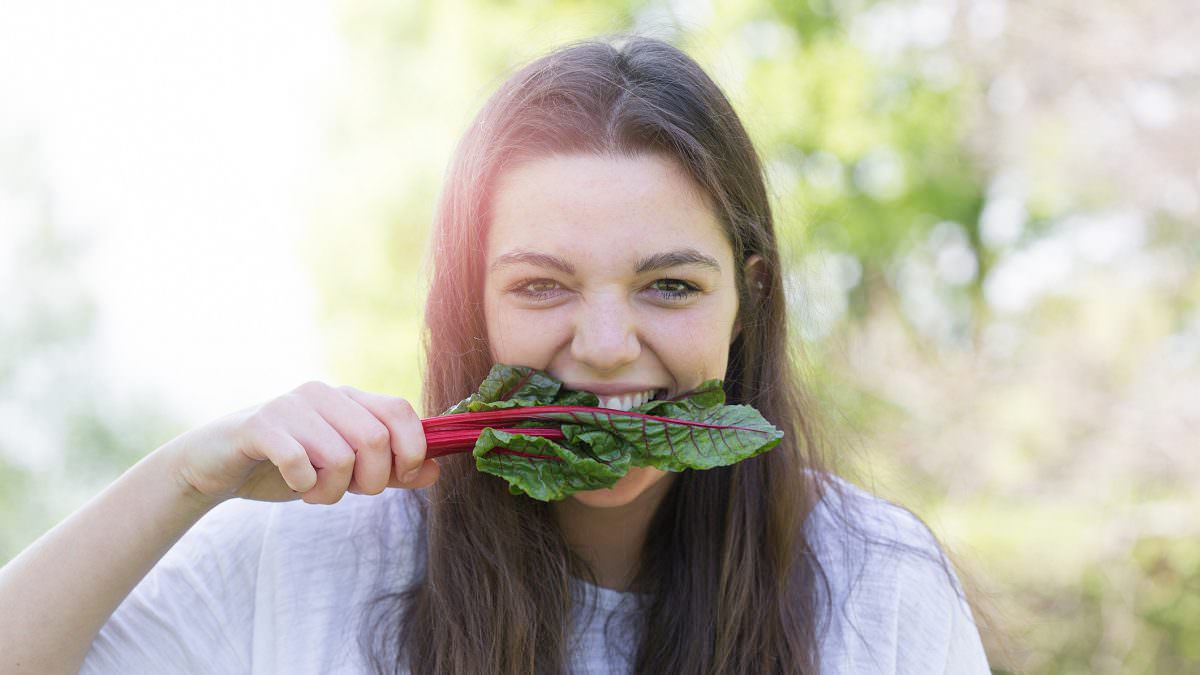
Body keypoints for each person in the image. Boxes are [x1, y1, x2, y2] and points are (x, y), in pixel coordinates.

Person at [0, 35, 990, 674]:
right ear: (470, 307)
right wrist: (186, 476)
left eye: (670, 286)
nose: (605, 348)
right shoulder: (302, 550)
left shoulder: (877, 582)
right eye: (540, 286)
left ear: (750, 296)